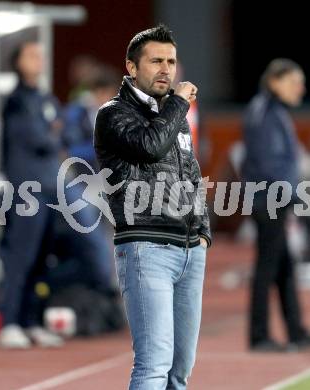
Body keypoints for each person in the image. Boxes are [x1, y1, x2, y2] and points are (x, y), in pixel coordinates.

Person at [94, 25, 211, 389]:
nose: (166, 69)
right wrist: (178, 103)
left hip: (190, 249)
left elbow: (191, 173)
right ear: (131, 67)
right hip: (147, 247)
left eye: (171, 61)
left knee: (179, 370)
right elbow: (149, 146)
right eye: (156, 61)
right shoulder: (113, 114)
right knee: (153, 366)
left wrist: (203, 232)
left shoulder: (173, 115)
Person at [0, 41, 64, 348]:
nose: (39, 60)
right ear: (18, 62)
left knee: (42, 260)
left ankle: (32, 321)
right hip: (25, 190)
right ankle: (10, 321)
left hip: (51, 187)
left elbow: (65, 134)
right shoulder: (17, 101)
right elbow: (39, 138)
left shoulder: (45, 98)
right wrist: (53, 132)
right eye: (32, 55)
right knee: (19, 257)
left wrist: (53, 132)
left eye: (41, 54)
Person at [242, 58, 310, 352]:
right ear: (274, 81)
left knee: (283, 268)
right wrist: (295, 197)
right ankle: (259, 336)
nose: (300, 89)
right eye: (294, 82)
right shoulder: (265, 113)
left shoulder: (272, 111)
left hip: (271, 198)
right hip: (268, 199)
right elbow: (270, 166)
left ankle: (296, 331)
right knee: (268, 268)